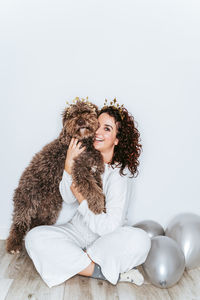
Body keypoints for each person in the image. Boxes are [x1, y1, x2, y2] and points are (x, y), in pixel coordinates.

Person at [25, 101, 151, 288]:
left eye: (107, 129)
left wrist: (83, 199)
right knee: (34, 237)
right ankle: (104, 271)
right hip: (76, 231)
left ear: (117, 139)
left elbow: (108, 228)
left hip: (105, 240)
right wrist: (68, 165)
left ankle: (76, 260)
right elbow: (67, 198)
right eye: (97, 126)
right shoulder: (87, 159)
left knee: (141, 241)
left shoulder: (119, 176)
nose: (98, 132)